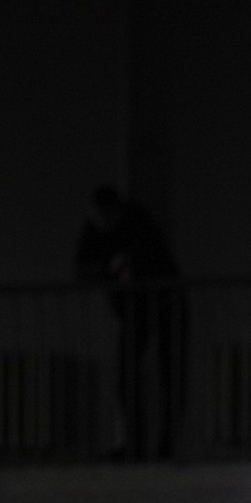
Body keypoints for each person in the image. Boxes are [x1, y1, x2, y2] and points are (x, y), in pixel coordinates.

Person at [73, 184, 186, 459]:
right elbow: (81, 271)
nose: (105, 223)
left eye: (110, 216)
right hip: (134, 310)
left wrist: (128, 266)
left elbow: (156, 258)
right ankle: (134, 445)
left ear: (119, 211)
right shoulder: (93, 230)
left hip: (166, 302)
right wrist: (109, 268)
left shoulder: (139, 222)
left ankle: (165, 445)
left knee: (169, 374)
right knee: (127, 377)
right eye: (100, 217)